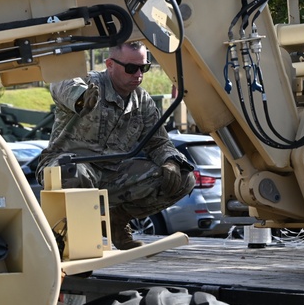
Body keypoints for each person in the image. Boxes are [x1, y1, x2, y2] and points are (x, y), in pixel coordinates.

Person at [37, 41, 195, 249]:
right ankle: (77, 242)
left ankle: (117, 220)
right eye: (131, 68)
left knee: (183, 178)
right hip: (67, 166)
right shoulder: (90, 83)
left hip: (113, 173)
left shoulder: (142, 102)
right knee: (76, 174)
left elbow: (158, 143)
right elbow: (60, 83)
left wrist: (170, 161)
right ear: (110, 64)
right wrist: (81, 98)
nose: (138, 74)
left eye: (143, 68)